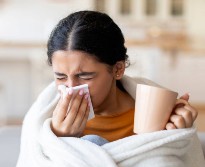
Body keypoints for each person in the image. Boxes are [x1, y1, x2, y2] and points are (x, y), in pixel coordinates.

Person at [47, 10, 198, 145]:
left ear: (117, 69)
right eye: (60, 77)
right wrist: (59, 140)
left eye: (85, 76)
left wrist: (176, 135)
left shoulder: (153, 113)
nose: (71, 88)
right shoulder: (47, 119)